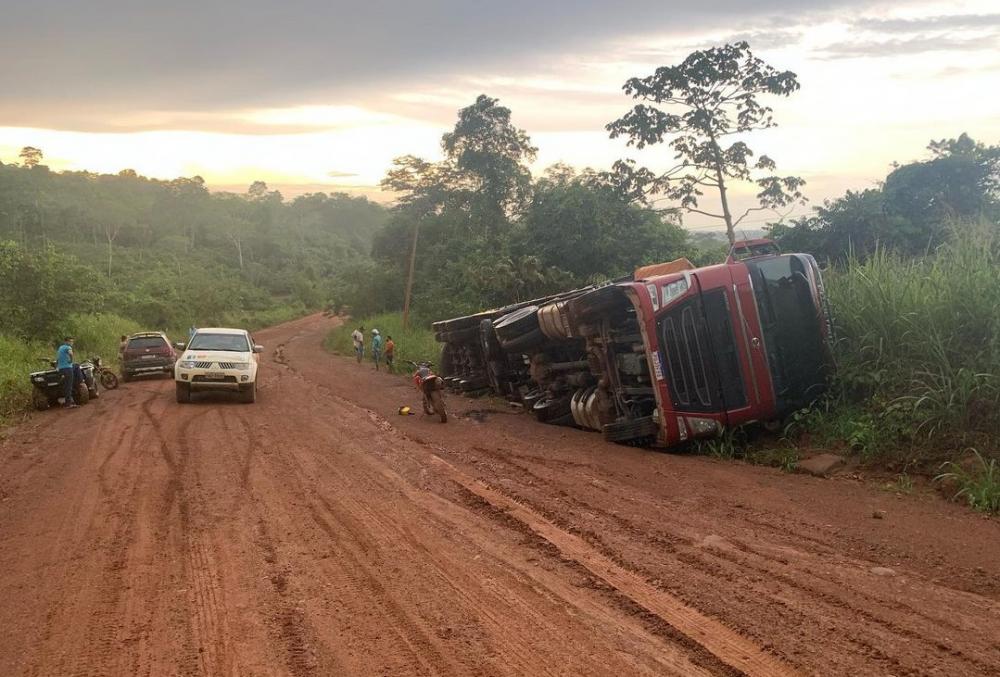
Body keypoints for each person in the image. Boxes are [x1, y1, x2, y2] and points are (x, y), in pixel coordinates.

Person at [56, 336, 78, 409]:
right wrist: (71, 360)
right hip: (67, 368)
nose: (72, 343)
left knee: (66, 385)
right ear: (66, 342)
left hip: (61, 369)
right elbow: (71, 354)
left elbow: (58, 358)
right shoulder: (67, 347)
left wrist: (57, 366)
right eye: (70, 341)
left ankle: (68, 401)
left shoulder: (60, 348)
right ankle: (68, 404)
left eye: (72, 341)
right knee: (69, 386)